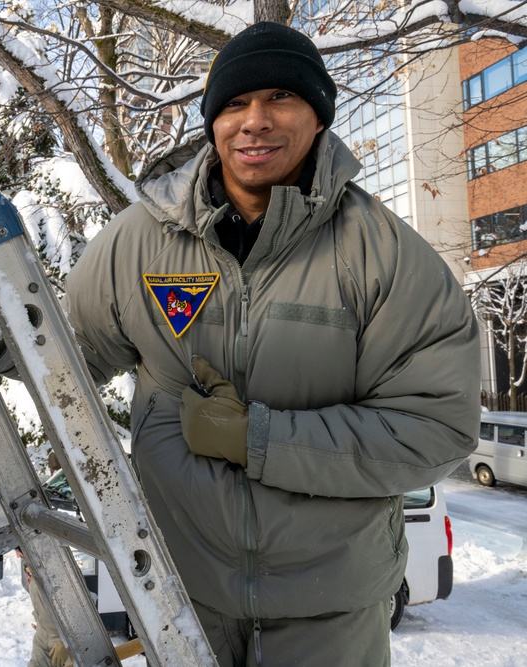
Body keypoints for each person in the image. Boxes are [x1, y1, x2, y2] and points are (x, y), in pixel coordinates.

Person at [61, 21, 481, 667]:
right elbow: (64, 357)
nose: (254, 121)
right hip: (182, 594)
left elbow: (436, 429)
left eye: (280, 97)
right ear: (212, 123)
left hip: (331, 608)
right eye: (234, 103)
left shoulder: (385, 256)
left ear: (319, 118)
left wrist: (256, 438)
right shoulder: (136, 242)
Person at [15, 548, 70, 667]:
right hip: (43, 633)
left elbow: (81, 609)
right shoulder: (29, 568)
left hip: (63, 639)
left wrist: (67, 642)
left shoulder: (57, 572)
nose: (18, 555)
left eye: (20, 551)